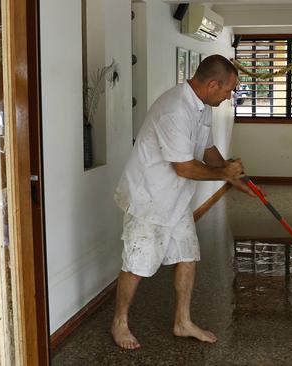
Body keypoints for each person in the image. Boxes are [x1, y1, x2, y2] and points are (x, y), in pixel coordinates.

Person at [111, 54, 257, 350]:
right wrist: (223, 173)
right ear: (213, 84)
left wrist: (233, 178)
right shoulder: (175, 109)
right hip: (149, 199)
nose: (230, 97)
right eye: (228, 90)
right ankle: (119, 322)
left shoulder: (201, 106)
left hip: (175, 199)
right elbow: (184, 167)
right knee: (137, 264)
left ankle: (183, 322)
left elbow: (207, 148)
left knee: (187, 256)